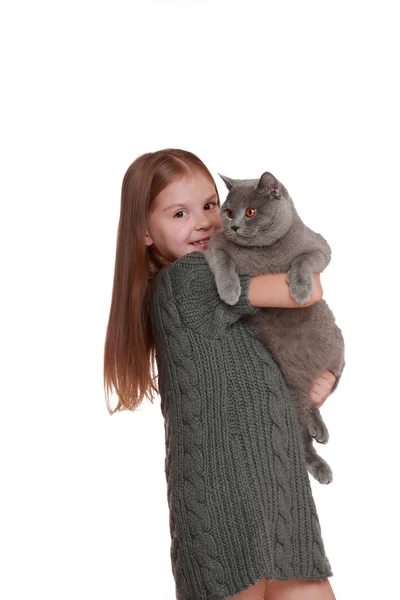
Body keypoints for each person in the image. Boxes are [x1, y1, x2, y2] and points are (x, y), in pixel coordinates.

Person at [103, 149, 338, 600]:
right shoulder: (188, 279)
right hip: (224, 498)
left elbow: (261, 369)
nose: (206, 222)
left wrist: (314, 388)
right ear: (145, 233)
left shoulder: (214, 281)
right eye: (179, 213)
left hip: (274, 484)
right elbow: (305, 291)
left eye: (210, 205)